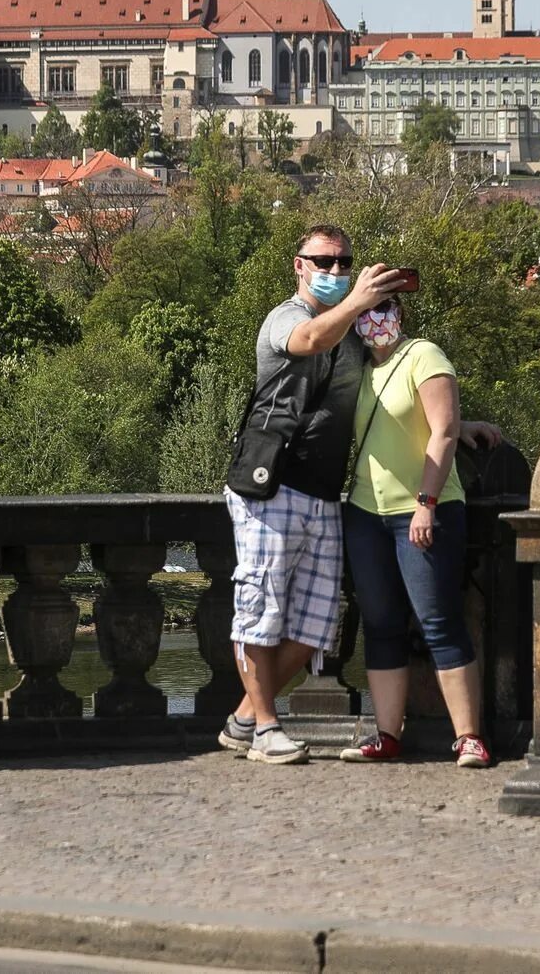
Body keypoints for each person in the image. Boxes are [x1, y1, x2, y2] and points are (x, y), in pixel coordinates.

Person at [219, 224, 402, 765]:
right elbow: (309, 342)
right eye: (322, 262)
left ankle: (244, 717)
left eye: (344, 263)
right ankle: (266, 730)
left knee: (315, 625)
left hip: (324, 493)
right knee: (260, 611)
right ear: (298, 265)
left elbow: (385, 396)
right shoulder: (289, 318)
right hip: (270, 485)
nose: (335, 272)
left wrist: (453, 425)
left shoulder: (353, 336)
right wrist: (357, 303)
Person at [337, 293, 491, 768]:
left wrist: (426, 502)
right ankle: (387, 735)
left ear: (399, 313)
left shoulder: (423, 354)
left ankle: (469, 738)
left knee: (438, 620)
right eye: (364, 312)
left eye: (383, 309)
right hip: (366, 513)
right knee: (381, 626)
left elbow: (442, 429)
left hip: (425, 509)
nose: (374, 320)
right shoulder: (357, 367)